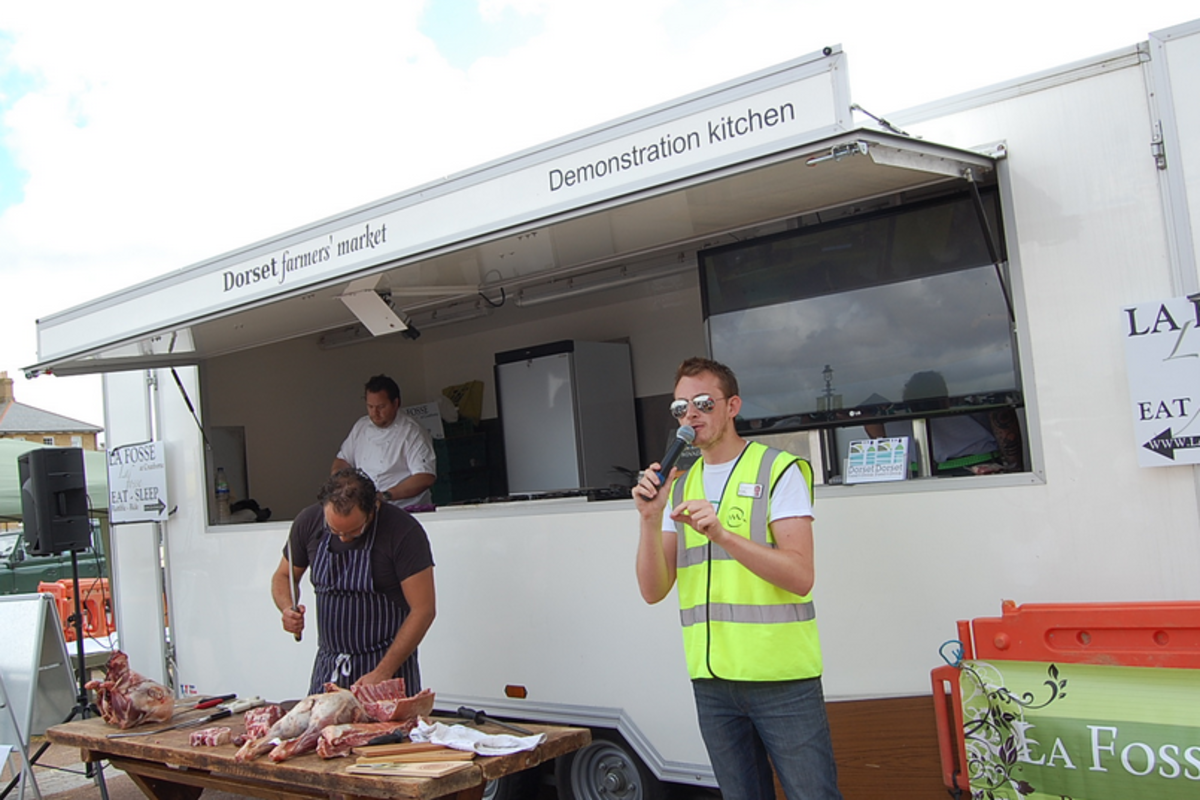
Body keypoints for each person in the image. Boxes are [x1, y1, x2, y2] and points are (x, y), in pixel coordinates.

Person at [633, 357, 842, 800]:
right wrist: (649, 521)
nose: (691, 415)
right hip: (713, 684)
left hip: (781, 681)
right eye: (680, 407)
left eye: (704, 403)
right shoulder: (682, 486)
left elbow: (800, 575)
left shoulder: (778, 470)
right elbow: (653, 591)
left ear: (733, 406)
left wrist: (723, 535)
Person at [272, 468, 436, 695]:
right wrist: (287, 608)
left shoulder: (403, 531)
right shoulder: (308, 522)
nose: (343, 538)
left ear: (373, 509)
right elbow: (283, 576)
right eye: (334, 530)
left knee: (386, 731)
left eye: (353, 532)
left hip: (387, 668)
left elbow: (423, 610)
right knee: (323, 731)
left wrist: (383, 671)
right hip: (329, 667)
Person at [864, 370, 1022, 476]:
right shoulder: (975, 388)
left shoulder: (884, 403)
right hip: (918, 472)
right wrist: (1014, 467)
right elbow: (1003, 420)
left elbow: (873, 427)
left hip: (977, 467)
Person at [332, 374, 437, 508]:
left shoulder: (413, 432)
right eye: (370, 407)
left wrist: (385, 496)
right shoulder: (361, 426)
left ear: (395, 403)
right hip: (368, 507)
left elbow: (425, 477)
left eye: (381, 407)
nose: (375, 413)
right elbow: (343, 460)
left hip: (406, 509)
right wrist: (341, 482)